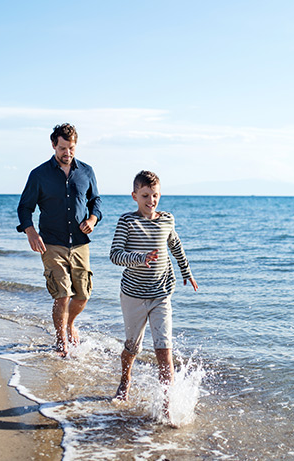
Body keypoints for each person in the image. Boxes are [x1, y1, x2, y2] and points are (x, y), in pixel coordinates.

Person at [109, 170, 198, 409]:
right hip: (133, 296)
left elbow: (175, 244)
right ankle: (125, 380)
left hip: (161, 294)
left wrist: (186, 271)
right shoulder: (127, 222)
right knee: (132, 347)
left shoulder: (167, 219)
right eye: (145, 195)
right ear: (134, 196)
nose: (151, 201)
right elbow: (115, 255)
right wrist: (140, 258)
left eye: (155, 195)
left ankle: (168, 406)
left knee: (163, 350)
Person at [16, 123, 102, 356]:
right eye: (63, 148)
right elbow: (25, 208)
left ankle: (69, 323)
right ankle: (61, 341)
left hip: (80, 243)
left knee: (83, 295)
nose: (67, 153)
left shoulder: (87, 171)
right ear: (54, 145)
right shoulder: (39, 174)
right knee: (62, 294)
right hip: (51, 243)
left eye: (71, 148)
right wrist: (31, 232)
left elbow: (96, 202)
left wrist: (93, 219)